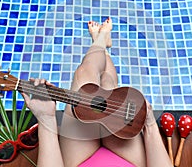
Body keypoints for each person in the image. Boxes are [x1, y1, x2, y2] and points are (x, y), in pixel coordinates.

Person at [21, 17, 173, 167]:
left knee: (85, 78)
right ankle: (101, 45)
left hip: (81, 161)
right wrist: (150, 125)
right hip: (127, 161)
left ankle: (100, 42)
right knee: (107, 86)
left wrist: (45, 119)